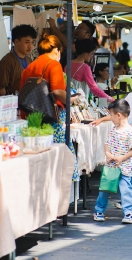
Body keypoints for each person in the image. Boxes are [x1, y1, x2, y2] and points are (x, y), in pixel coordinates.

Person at [92, 63, 132, 212]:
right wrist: (102, 119)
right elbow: (118, 112)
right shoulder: (130, 96)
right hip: (129, 138)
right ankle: (129, 200)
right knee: (129, 169)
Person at [20, 35, 79, 180]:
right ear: (57, 50)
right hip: (52, 117)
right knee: (61, 155)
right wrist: (71, 99)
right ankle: (64, 194)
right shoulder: (54, 65)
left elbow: (22, 93)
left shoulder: (29, 67)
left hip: (32, 118)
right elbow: (58, 91)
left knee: (41, 156)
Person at [93, 99, 132, 224]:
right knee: (104, 190)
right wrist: (108, 153)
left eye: (111, 115)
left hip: (123, 167)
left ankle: (129, 213)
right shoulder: (113, 129)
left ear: (118, 115)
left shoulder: (130, 131)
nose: (110, 118)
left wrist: (122, 158)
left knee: (126, 191)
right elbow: (107, 143)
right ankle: (99, 211)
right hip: (111, 167)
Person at [0, 24, 37, 96]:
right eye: (27, 42)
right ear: (16, 42)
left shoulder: (29, 60)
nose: (30, 46)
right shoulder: (7, 61)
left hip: (27, 102)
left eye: (32, 42)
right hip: (13, 104)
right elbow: (0, 90)